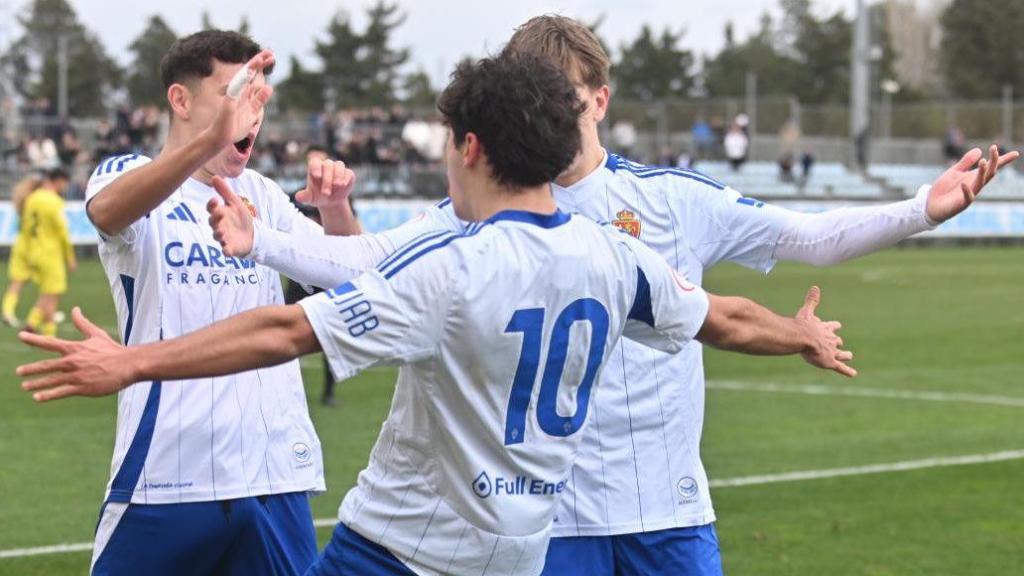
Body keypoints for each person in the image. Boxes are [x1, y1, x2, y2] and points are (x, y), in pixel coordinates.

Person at [17, 52, 854, 576]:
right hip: (516, 556)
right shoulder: (616, 257)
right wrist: (801, 335)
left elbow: (283, 330)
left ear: (471, 148)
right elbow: (722, 319)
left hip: (396, 553)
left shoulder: (451, 263)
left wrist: (133, 362)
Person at [62, 30, 371, 576]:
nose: (250, 113)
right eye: (235, 93)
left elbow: (352, 283)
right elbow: (107, 213)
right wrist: (207, 142)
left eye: (257, 98)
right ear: (181, 101)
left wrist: (338, 211)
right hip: (166, 473)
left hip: (273, 475)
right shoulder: (127, 174)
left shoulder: (265, 196)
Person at [20, 168, 76, 336]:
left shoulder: (32, 198)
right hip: (51, 253)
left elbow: (26, 227)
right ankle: (49, 335)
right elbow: (62, 231)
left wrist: (28, 253)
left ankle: (32, 322)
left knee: (47, 291)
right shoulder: (54, 201)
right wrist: (70, 256)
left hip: (35, 252)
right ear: (59, 181)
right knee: (53, 294)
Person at [2, 173, 45, 328]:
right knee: (47, 283)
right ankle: (42, 312)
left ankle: (8, 310)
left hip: (21, 243)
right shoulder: (37, 201)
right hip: (33, 245)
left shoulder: (21, 200)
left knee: (17, 281)